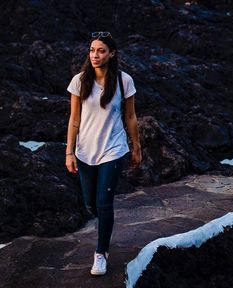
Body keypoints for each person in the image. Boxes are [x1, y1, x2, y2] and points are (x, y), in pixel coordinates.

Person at [65, 31, 141, 276]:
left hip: (113, 149)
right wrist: (69, 152)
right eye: (92, 50)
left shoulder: (123, 81)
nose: (95, 55)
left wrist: (136, 146)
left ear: (112, 54)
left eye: (101, 50)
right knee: (91, 204)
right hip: (85, 151)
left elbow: (130, 116)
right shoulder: (79, 80)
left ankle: (101, 253)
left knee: (104, 203)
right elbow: (74, 119)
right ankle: (106, 227)